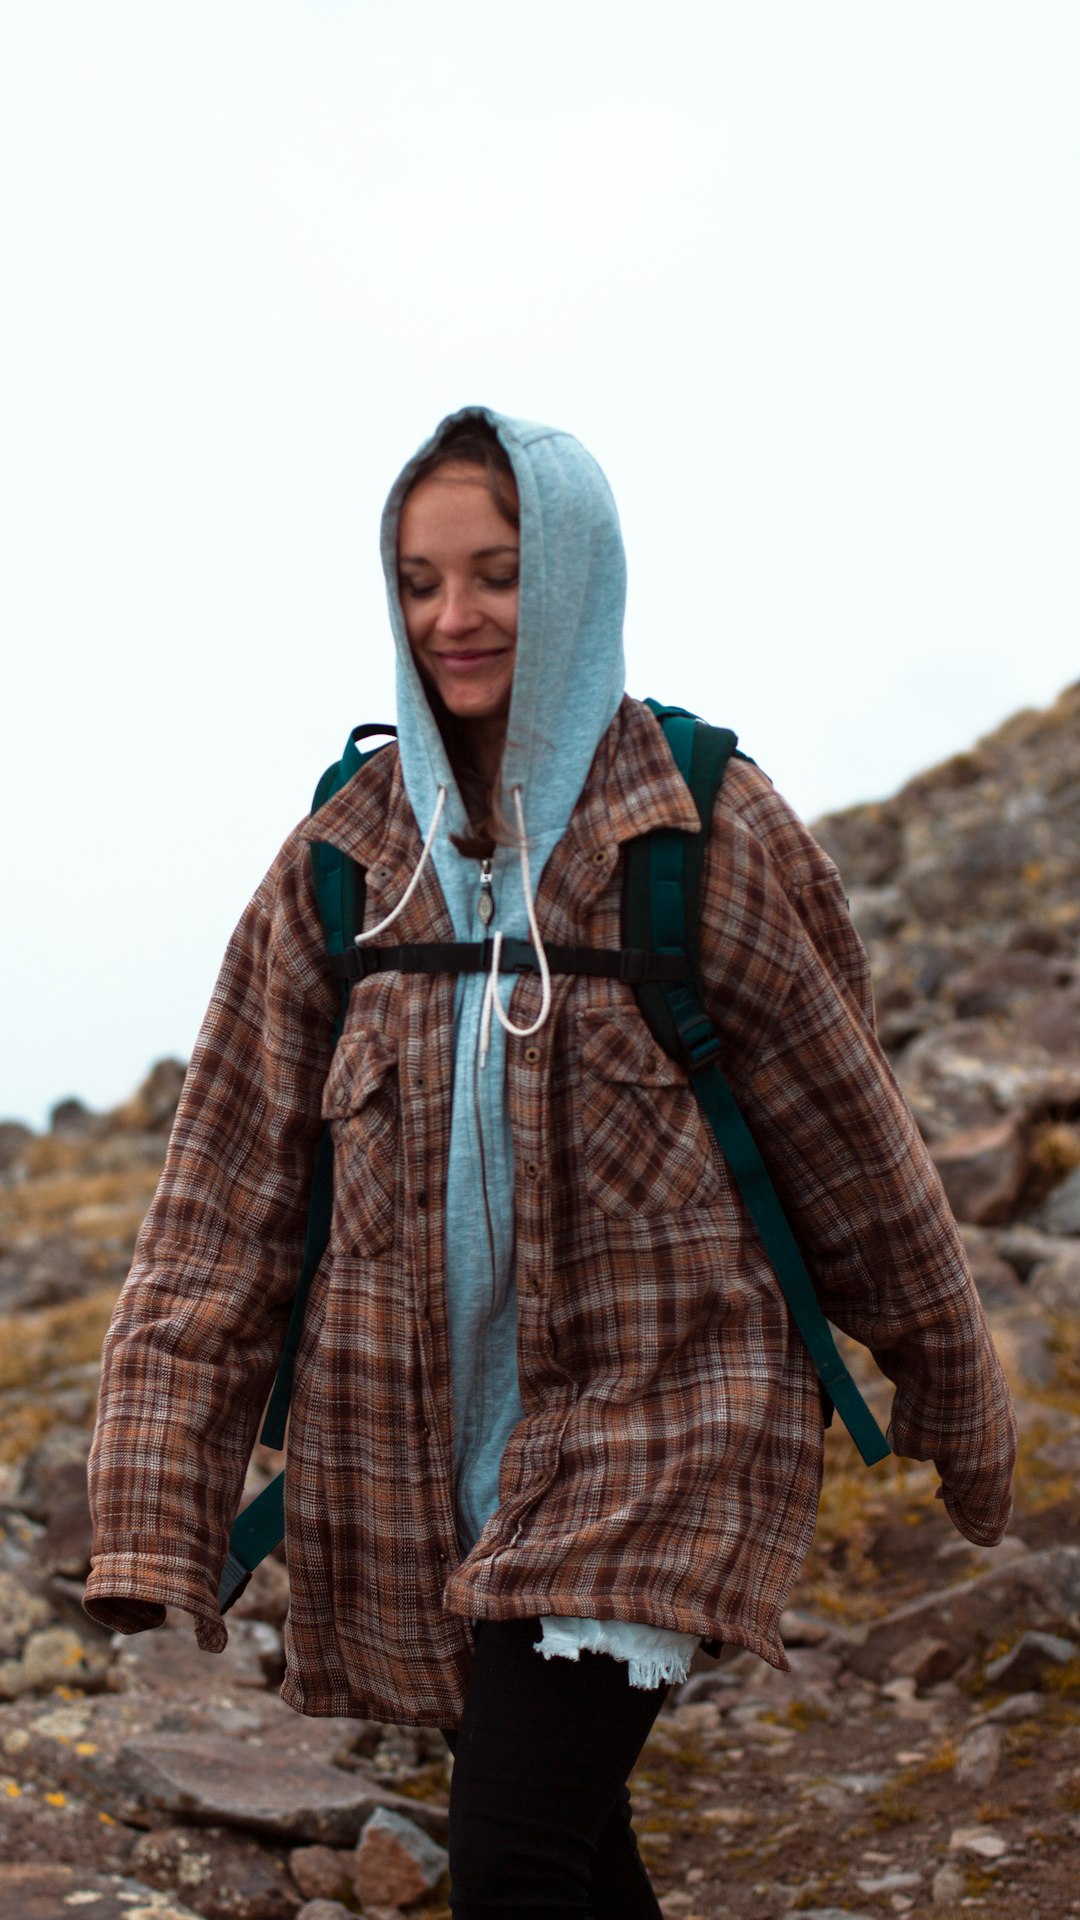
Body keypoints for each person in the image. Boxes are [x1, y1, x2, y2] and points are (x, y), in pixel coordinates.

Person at [85, 407, 1017, 1918]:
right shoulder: (346, 863)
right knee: (572, 1861)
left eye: (499, 573)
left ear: (575, 575)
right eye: (420, 580)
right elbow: (220, 1207)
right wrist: (152, 1495)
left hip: (666, 1422)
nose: (454, 617)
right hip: (423, 1458)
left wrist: (953, 1390)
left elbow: (852, 1148)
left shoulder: (697, 831)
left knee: (513, 1859)